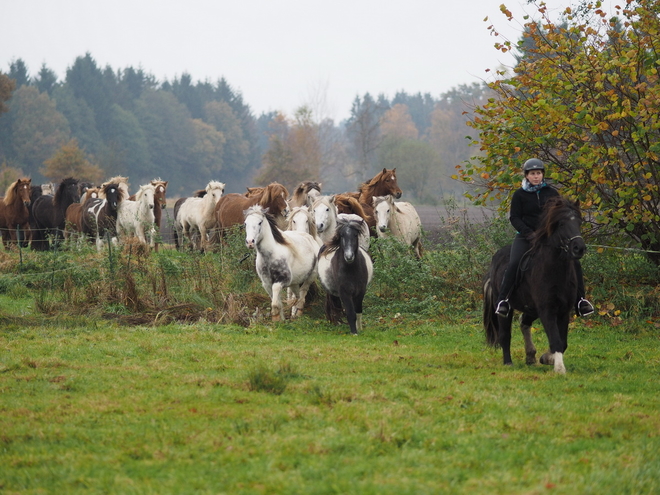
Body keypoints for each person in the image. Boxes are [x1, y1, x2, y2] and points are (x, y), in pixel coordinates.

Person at [494, 158, 594, 318]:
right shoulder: (519, 195)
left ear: (542, 175)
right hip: (525, 237)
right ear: (527, 175)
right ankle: (503, 300)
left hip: (549, 238)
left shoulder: (552, 193)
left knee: (573, 262)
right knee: (514, 262)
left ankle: (581, 301)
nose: (536, 176)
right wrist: (528, 232)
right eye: (532, 173)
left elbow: (558, 216)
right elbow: (515, 218)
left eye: (538, 173)